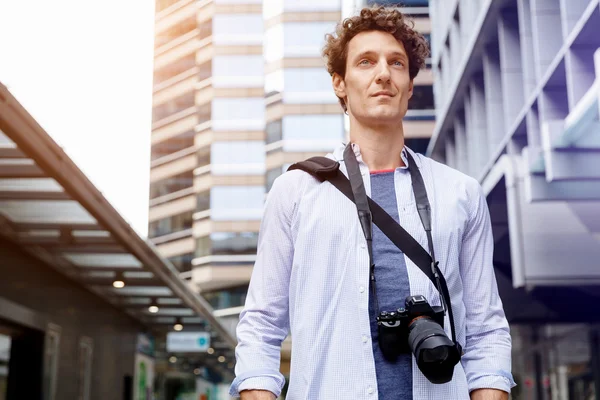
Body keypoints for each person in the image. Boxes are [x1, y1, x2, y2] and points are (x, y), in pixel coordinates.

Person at [229, 6, 515, 400]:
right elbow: (261, 324)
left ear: (410, 86)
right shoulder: (296, 190)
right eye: (366, 62)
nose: (383, 73)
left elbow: (486, 329)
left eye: (396, 63)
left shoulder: (460, 193)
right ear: (340, 84)